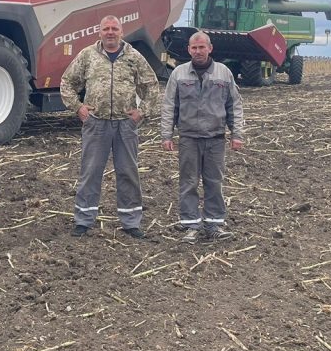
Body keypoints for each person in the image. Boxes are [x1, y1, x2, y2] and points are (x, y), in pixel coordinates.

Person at [60, 15, 160, 239]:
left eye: (115, 28)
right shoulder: (87, 56)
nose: (110, 32)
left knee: (128, 172)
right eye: (106, 29)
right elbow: (67, 82)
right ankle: (83, 219)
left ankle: (131, 221)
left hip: (125, 125)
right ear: (99, 32)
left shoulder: (134, 57)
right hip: (96, 124)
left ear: (122, 32)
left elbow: (151, 86)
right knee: (90, 172)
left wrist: (141, 112)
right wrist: (78, 107)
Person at [160, 31, 244, 243]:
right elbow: (170, 106)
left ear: (210, 48)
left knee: (214, 182)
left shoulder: (224, 73)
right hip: (188, 138)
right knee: (188, 182)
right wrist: (166, 135)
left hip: (215, 138)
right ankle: (191, 226)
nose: (198, 51)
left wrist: (237, 133)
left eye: (201, 47)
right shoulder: (178, 74)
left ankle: (214, 225)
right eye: (194, 48)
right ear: (188, 50)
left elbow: (234, 104)